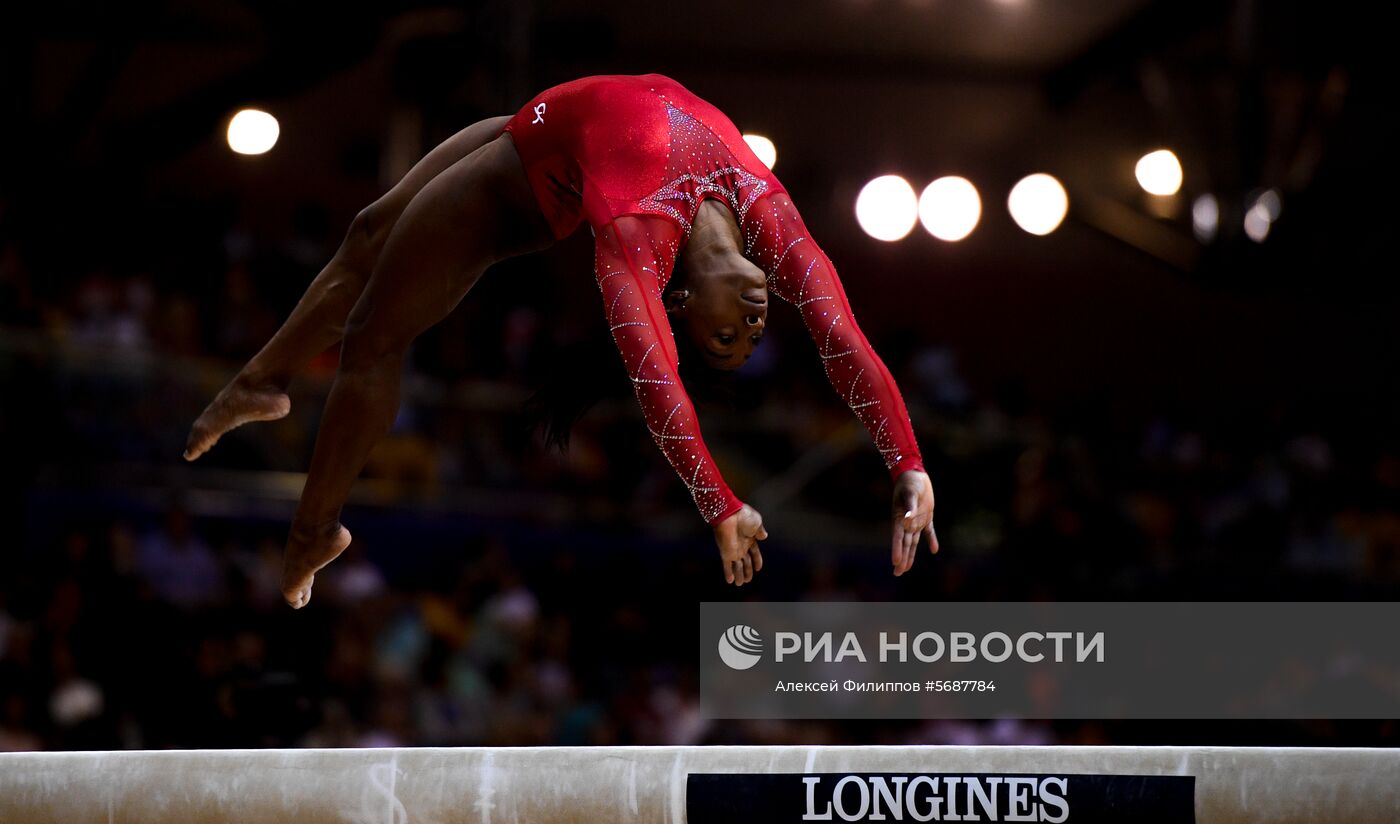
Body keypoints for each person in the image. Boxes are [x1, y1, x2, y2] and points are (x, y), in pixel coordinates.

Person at [184, 74, 938, 608]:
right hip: (537, 123)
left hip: (510, 190)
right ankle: (259, 382)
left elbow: (658, 386)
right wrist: (906, 463)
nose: (753, 321)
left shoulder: (638, 247)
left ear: (679, 303)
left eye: (727, 337)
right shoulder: (771, 218)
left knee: (370, 339)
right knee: (366, 236)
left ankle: (312, 532)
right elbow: (843, 340)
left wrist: (721, 505)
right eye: (749, 332)